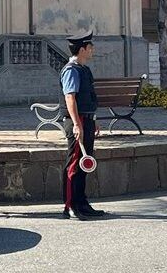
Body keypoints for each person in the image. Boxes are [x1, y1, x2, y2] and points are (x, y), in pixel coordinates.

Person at [60, 32, 106, 220]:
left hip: (86, 119)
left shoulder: (83, 69)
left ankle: (82, 202)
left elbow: (87, 98)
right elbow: (70, 98)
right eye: (90, 47)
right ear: (82, 49)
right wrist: (78, 125)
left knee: (84, 163)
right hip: (76, 120)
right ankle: (70, 205)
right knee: (74, 163)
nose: (92, 50)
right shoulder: (71, 70)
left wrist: (92, 119)